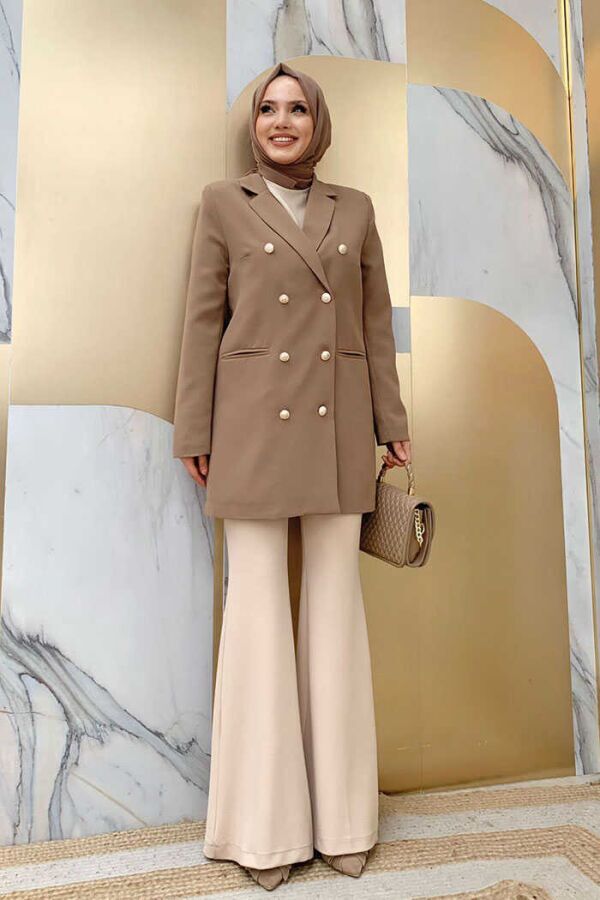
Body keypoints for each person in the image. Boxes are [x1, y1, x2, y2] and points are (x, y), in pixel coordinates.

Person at [172, 60, 412, 892]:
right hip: (248, 427)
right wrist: (193, 428)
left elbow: (374, 328)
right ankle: (263, 832)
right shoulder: (222, 202)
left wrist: (393, 426)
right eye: (268, 109)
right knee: (257, 616)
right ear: (254, 124)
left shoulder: (357, 208)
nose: (281, 121)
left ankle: (345, 823)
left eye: (297, 109)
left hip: (340, 425)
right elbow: (203, 321)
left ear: (319, 122)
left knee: (335, 614)